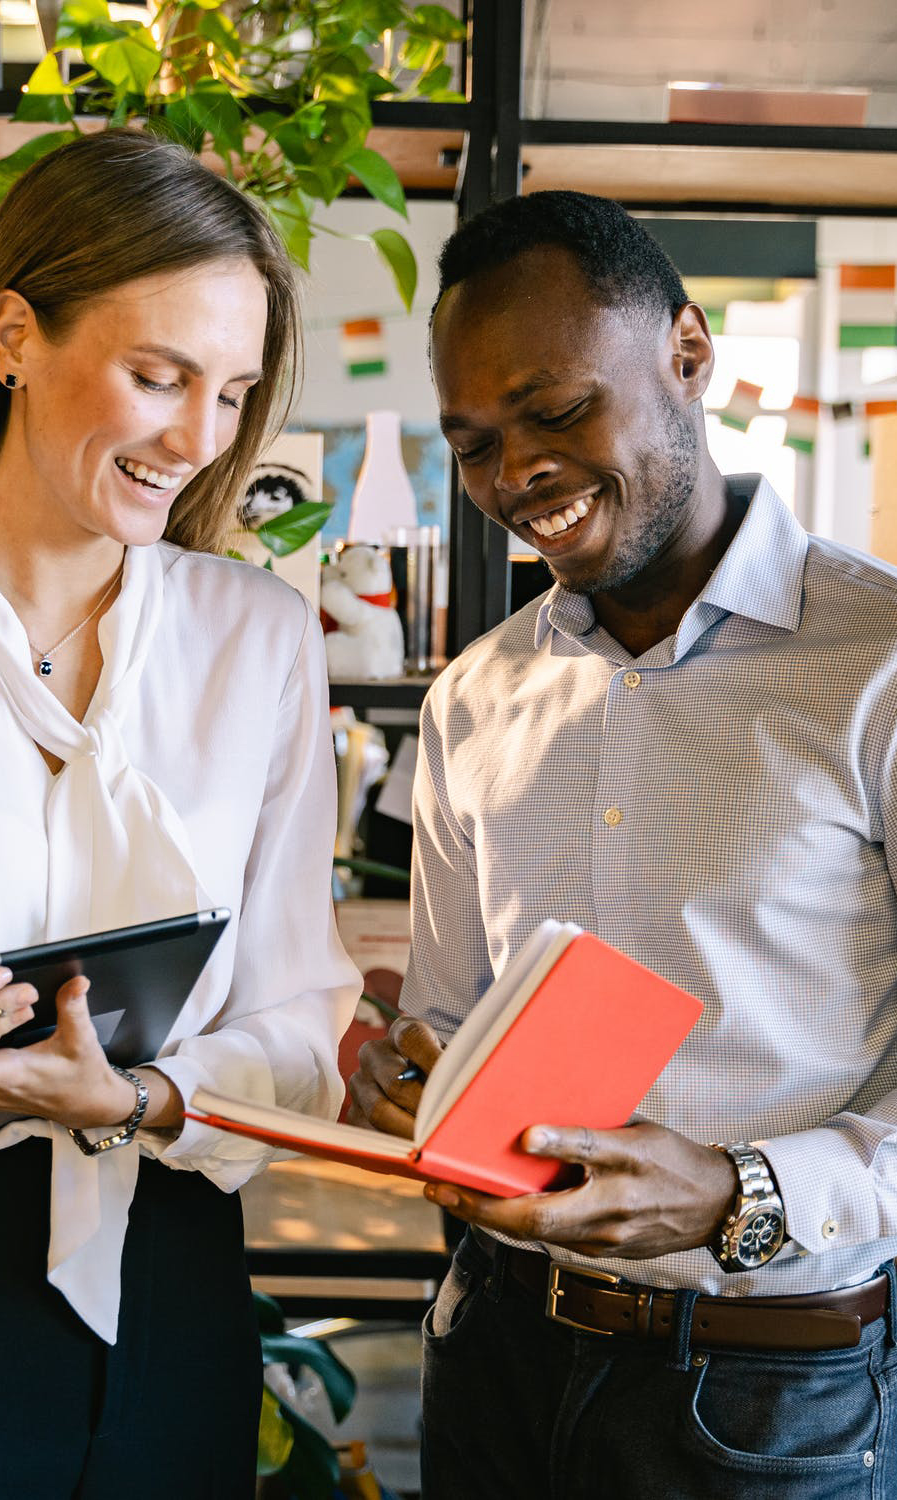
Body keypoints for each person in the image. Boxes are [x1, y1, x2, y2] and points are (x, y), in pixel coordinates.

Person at [0, 130, 360, 1499]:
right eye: (157, 376)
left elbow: (298, 1021)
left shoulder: (258, 640)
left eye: (230, 392)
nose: (197, 439)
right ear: (14, 334)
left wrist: (145, 1094)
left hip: (173, 1270)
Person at [349, 190, 897, 1498]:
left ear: (689, 355)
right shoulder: (474, 695)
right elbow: (445, 1024)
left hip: (770, 1396)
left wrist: (733, 1190)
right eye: (475, 442)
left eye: (554, 410)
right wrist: (403, 1083)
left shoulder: (874, 664)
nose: (512, 476)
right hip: (489, 1350)